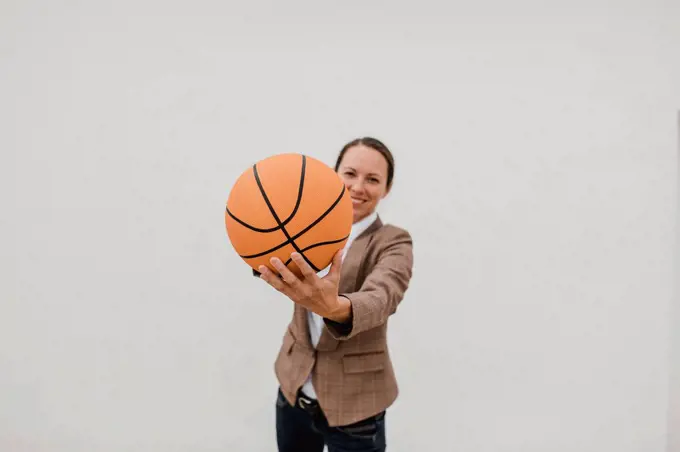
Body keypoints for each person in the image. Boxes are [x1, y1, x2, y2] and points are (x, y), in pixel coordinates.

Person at [256, 137, 414, 452]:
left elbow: (382, 295)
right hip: (293, 391)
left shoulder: (392, 241)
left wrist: (337, 308)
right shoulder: (303, 225)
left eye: (373, 179)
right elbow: (264, 252)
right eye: (350, 173)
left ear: (387, 188)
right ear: (334, 174)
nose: (358, 186)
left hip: (356, 407)